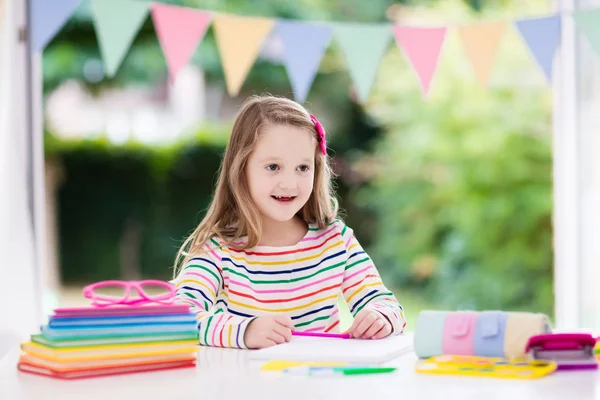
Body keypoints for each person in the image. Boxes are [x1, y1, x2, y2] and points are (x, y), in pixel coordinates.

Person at [171, 95, 406, 349]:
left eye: (303, 168)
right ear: (241, 170)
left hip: (319, 383)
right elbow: (179, 318)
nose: (289, 183)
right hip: (243, 385)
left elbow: (386, 303)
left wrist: (381, 317)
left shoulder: (336, 241)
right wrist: (244, 331)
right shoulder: (218, 250)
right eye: (273, 167)